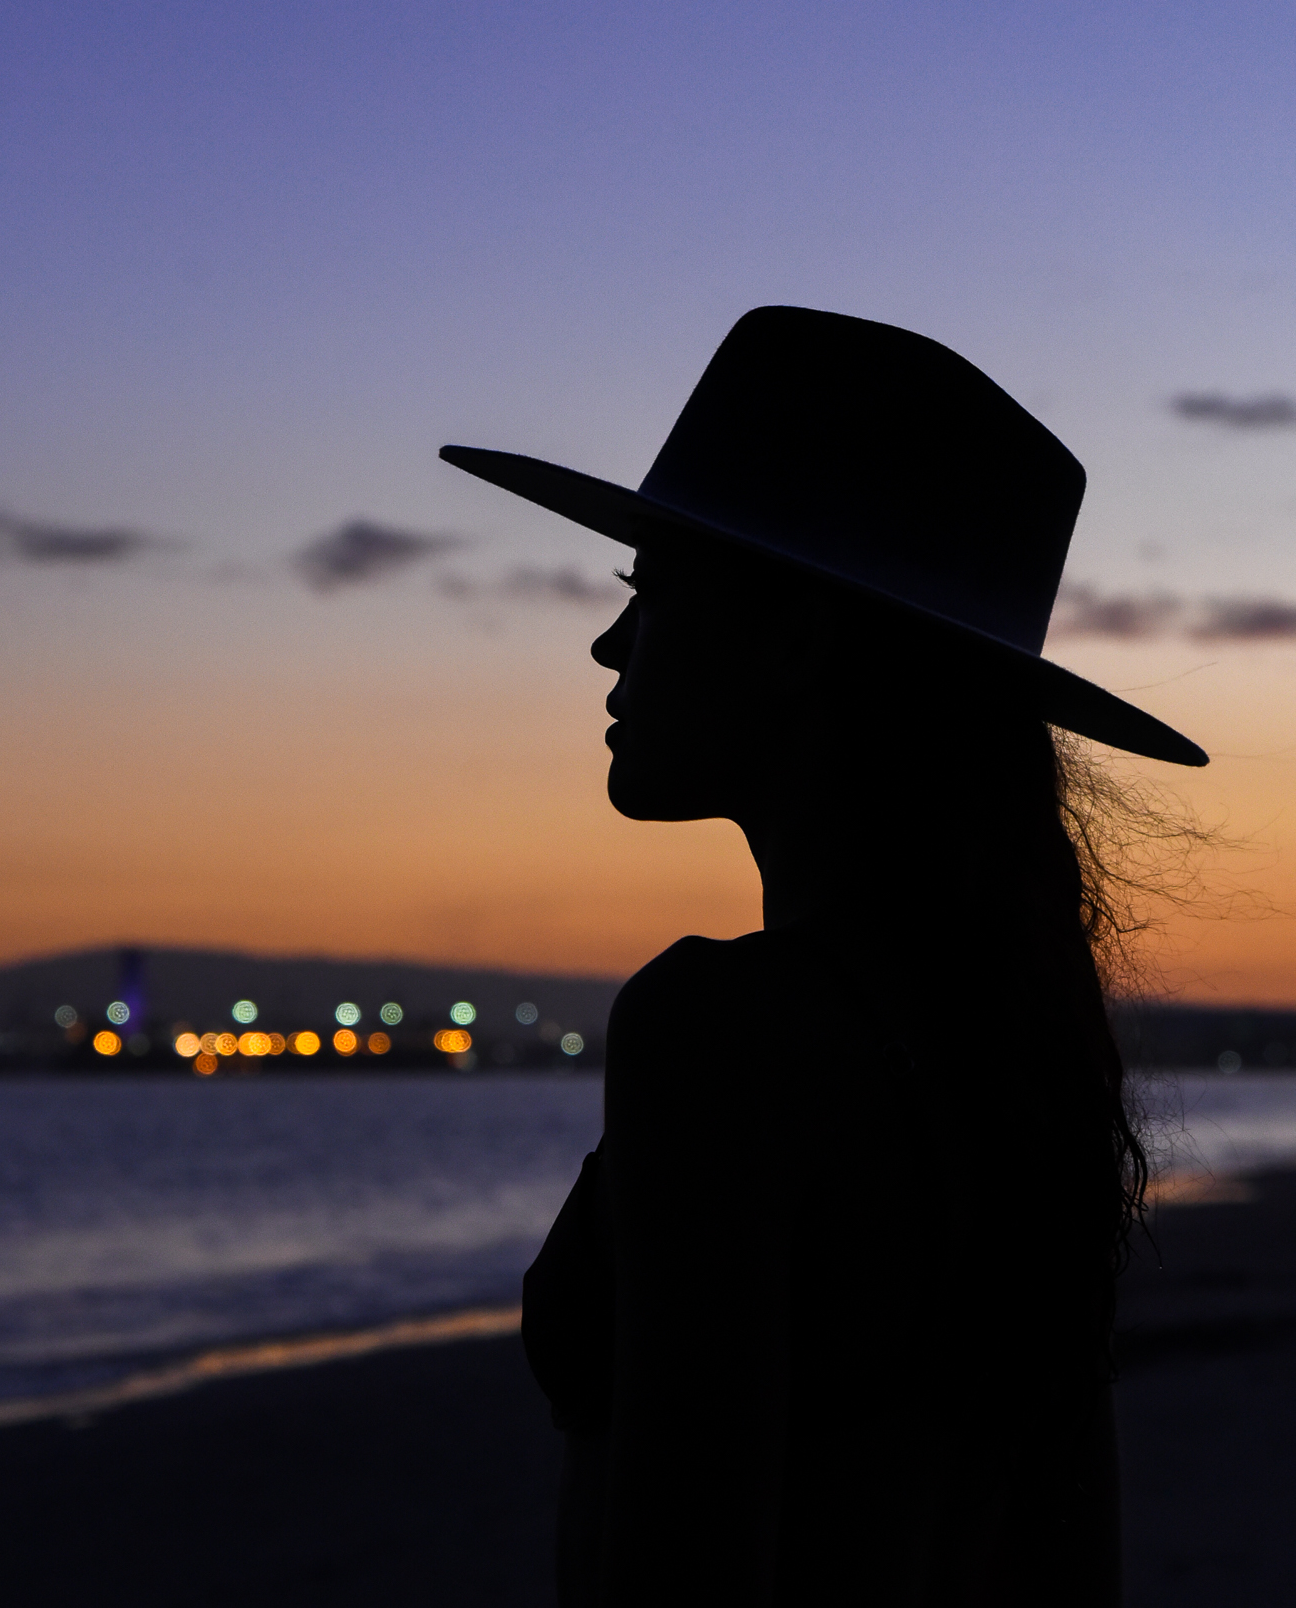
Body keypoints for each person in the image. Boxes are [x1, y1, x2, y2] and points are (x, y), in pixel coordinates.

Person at [440, 308, 1207, 1606]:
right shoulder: (1019, 1052)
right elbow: (1072, 1550)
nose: (610, 645)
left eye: (649, 589)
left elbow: (688, 1566)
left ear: (796, 641)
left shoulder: (721, 1031)